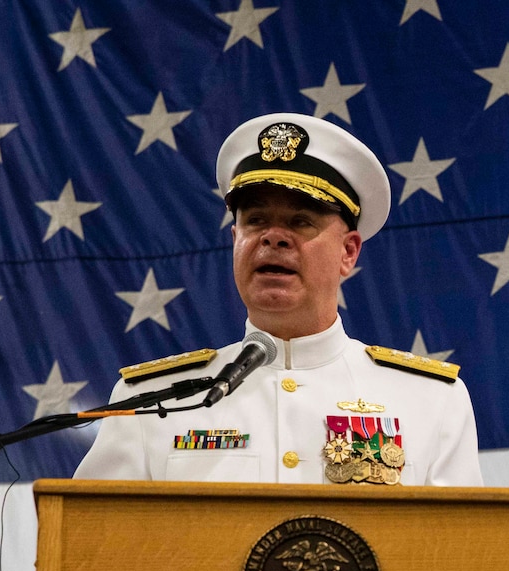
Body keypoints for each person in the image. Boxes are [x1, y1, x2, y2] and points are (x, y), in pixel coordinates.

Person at [73, 112, 482, 487]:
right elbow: (87, 548)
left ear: (348, 252)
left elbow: (466, 557)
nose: (273, 237)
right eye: (255, 221)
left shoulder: (432, 400)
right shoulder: (151, 402)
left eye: (301, 221)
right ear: (235, 241)